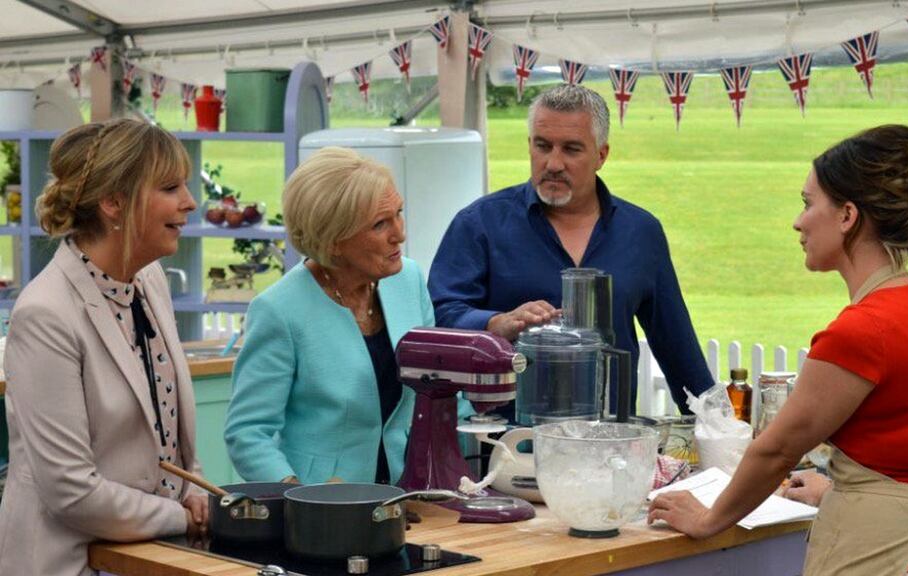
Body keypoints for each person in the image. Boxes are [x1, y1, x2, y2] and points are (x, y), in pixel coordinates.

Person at [648, 125, 908, 576]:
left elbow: (775, 450)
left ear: (847, 215)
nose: (798, 221)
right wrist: (840, 489)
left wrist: (708, 519)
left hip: (893, 556)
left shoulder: (864, 329)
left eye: (808, 203)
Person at [428, 83, 714, 417]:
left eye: (571, 149)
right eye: (543, 146)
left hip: (612, 446)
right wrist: (496, 323)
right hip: (506, 447)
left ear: (602, 155)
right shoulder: (480, 224)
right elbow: (439, 316)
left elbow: (677, 347)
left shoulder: (641, 232)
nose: (553, 163)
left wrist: (717, 429)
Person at [0, 119, 207, 576]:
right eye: (171, 187)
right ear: (113, 203)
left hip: (151, 555)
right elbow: (70, 491)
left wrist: (195, 488)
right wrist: (182, 517)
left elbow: (166, 439)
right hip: (72, 562)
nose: (190, 202)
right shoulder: (45, 315)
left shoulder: (150, 281)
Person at [224, 147, 434, 485]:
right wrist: (300, 499)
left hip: (405, 497)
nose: (400, 234)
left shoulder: (408, 280)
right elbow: (248, 434)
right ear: (334, 240)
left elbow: (433, 390)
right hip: (321, 512)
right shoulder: (279, 310)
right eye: (380, 224)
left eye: (399, 213)